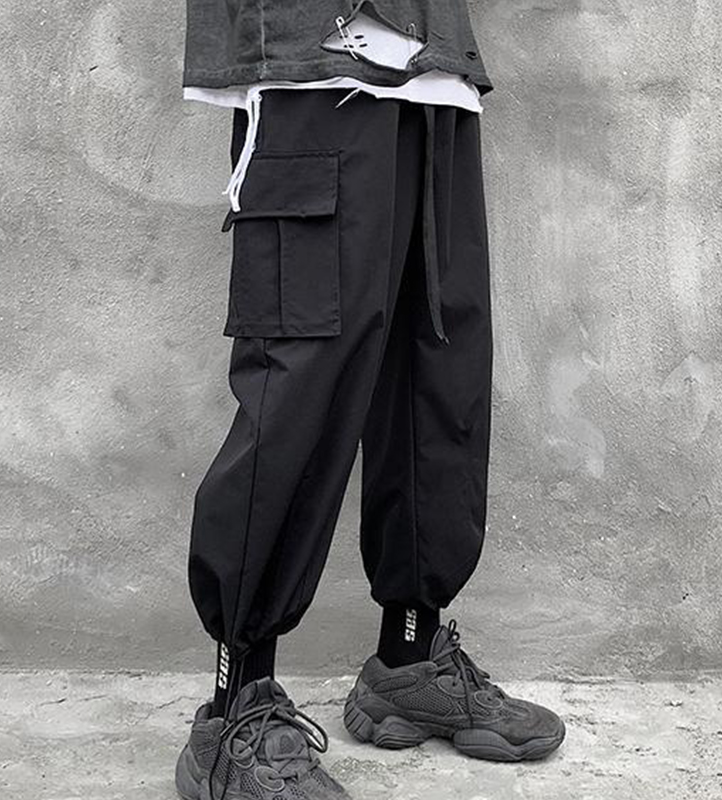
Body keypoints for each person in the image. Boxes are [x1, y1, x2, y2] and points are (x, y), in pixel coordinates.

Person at [175, 2, 566, 798]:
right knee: (300, 390)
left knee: (439, 375)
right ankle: (234, 707)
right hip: (310, 69)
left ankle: (408, 662)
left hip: (436, 79)